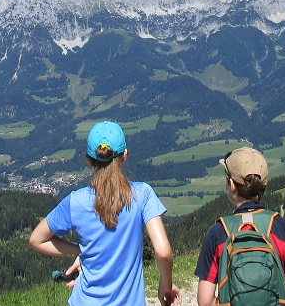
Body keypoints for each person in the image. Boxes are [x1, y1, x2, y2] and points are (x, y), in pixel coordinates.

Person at [29, 120, 182, 306]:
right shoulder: (143, 195)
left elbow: (37, 240)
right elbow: (163, 252)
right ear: (125, 155)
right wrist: (165, 285)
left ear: (88, 159)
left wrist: (80, 251)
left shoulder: (75, 201)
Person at [195, 147, 285, 306]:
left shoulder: (217, 232)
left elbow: (205, 301)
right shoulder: (284, 228)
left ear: (231, 185)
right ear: (263, 185)